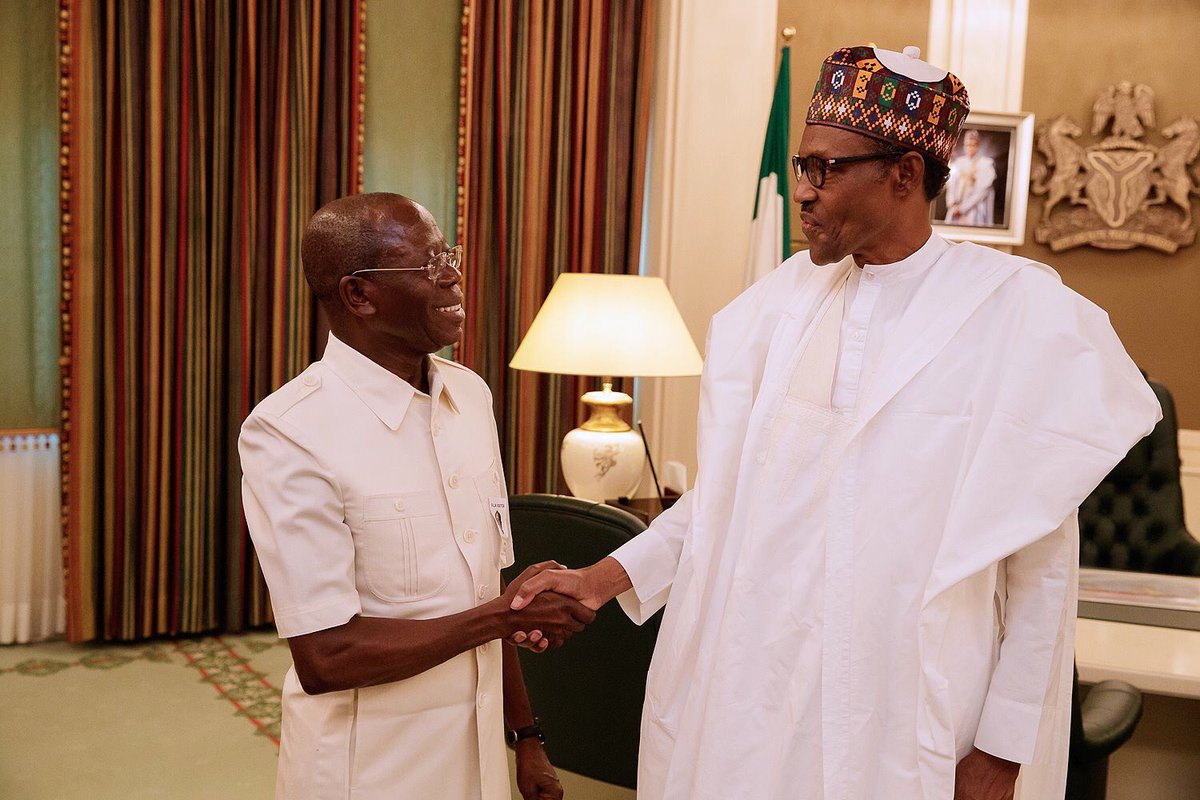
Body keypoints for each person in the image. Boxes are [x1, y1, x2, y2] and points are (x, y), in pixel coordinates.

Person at [511, 45, 1161, 800]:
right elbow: (726, 505)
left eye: (825, 169)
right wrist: (597, 581)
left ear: (905, 174)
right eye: (801, 166)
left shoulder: (1016, 314)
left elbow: (1039, 568)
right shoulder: (774, 309)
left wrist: (1001, 750)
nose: (803, 192)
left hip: (908, 710)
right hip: (758, 695)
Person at [239, 192, 595, 800]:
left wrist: (527, 737)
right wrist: (504, 616)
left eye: (449, 255)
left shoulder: (469, 397)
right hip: (369, 773)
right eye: (429, 264)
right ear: (359, 294)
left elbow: (485, 587)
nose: (452, 276)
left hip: (477, 762)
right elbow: (327, 655)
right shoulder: (289, 432)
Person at [945, 129, 998, 225]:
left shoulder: (986, 164)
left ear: (978, 146)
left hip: (974, 208)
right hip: (956, 207)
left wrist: (963, 208)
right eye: (967, 145)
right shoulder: (958, 163)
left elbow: (982, 192)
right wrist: (952, 204)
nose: (970, 148)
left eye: (973, 145)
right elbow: (951, 186)